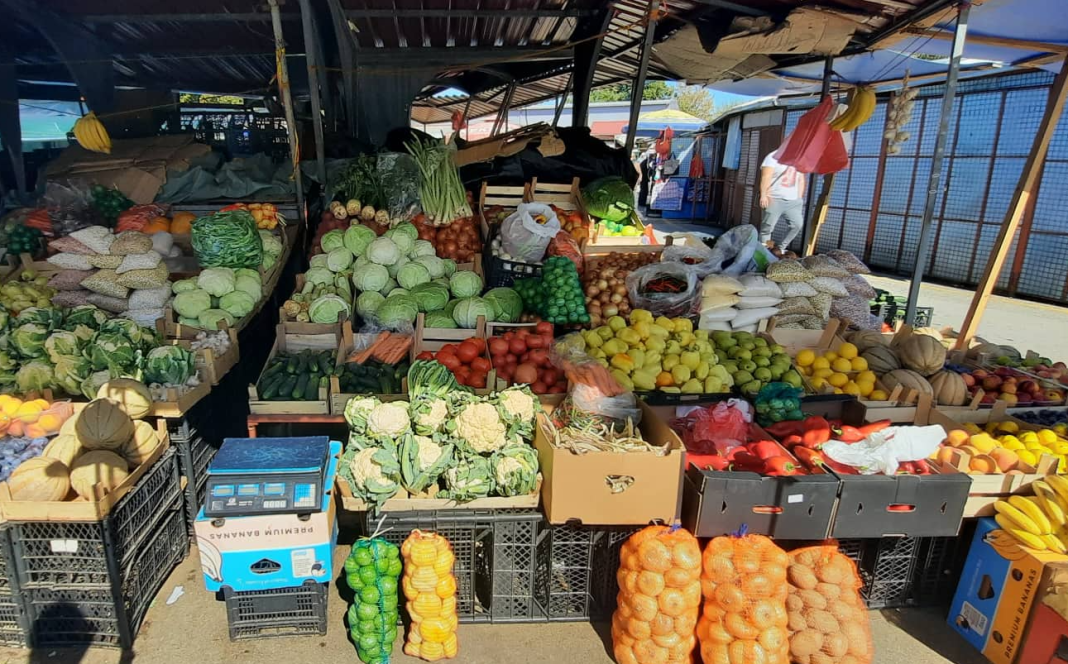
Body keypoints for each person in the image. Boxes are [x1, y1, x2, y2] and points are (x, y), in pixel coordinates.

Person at [759, 152, 805, 249]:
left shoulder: (799, 157)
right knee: (768, 227)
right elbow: (765, 177)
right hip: (774, 198)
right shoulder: (773, 156)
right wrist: (763, 195)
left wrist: (799, 197)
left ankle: (780, 248)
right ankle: (767, 250)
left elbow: (801, 178)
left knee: (797, 224)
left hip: (793, 200)